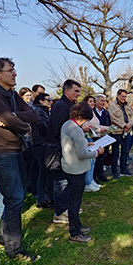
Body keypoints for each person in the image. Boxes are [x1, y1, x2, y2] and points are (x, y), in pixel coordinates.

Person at [0, 57, 40, 261]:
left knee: (16, 198)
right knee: (15, 200)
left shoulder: (11, 94)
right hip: (1, 153)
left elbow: (32, 115)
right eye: (11, 70)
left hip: (14, 150)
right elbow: (19, 121)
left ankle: (4, 241)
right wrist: (16, 121)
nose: (15, 73)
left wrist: (12, 117)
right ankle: (14, 251)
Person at [60, 102, 104, 243]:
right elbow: (82, 154)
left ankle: (77, 226)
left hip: (69, 166)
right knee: (75, 202)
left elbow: (75, 145)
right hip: (76, 169)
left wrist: (86, 143)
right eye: (85, 119)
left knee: (74, 200)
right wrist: (97, 152)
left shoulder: (67, 124)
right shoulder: (76, 129)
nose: (86, 122)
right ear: (79, 116)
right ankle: (74, 233)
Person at [45, 79, 81, 224]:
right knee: (61, 181)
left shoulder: (70, 105)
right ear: (67, 91)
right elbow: (59, 129)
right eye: (76, 91)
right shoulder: (60, 106)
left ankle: (68, 207)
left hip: (66, 148)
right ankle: (59, 212)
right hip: (58, 149)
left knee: (68, 180)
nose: (78, 94)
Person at [32, 93, 54, 208]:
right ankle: (46, 198)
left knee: (43, 173)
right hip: (40, 144)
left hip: (41, 144)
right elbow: (42, 127)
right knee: (46, 172)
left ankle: (42, 199)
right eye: (48, 100)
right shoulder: (38, 111)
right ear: (41, 101)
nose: (50, 102)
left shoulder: (44, 111)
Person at [108, 89, 133, 178]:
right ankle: (114, 171)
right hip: (117, 132)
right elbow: (113, 118)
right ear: (118, 95)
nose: (124, 98)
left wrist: (130, 124)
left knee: (125, 151)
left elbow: (132, 115)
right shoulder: (112, 105)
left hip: (127, 132)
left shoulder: (127, 105)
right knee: (115, 152)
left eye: (125, 97)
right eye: (122, 96)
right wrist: (124, 125)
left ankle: (124, 169)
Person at [82, 96, 103, 191]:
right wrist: (99, 129)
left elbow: (96, 125)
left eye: (93, 102)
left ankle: (91, 180)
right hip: (85, 136)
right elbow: (87, 126)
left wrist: (106, 128)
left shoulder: (92, 112)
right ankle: (87, 182)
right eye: (90, 101)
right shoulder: (83, 112)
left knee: (93, 159)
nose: (92, 103)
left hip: (91, 136)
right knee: (89, 159)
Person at [91, 94, 111, 183]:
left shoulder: (106, 113)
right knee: (95, 157)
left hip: (104, 137)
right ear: (96, 102)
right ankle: (93, 176)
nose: (103, 103)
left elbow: (108, 124)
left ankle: (100, 174)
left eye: (104, 101)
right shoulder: (91, 112)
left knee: (102, 157)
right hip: (94, 137)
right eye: (101, 101)